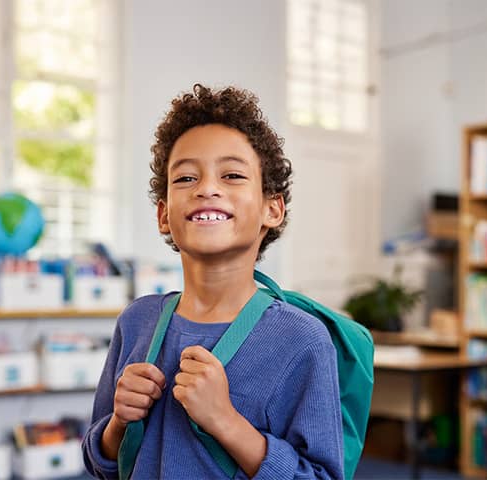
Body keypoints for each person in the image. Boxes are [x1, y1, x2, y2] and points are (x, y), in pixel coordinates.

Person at [82, 84, 344, 479]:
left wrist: (225, 420)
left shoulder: (302, 340)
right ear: (164, 215)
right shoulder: (137, 322)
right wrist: (118, 424)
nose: (206, 188)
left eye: (233, 174)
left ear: (271, 209)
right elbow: (99, 462)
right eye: (185, 178)